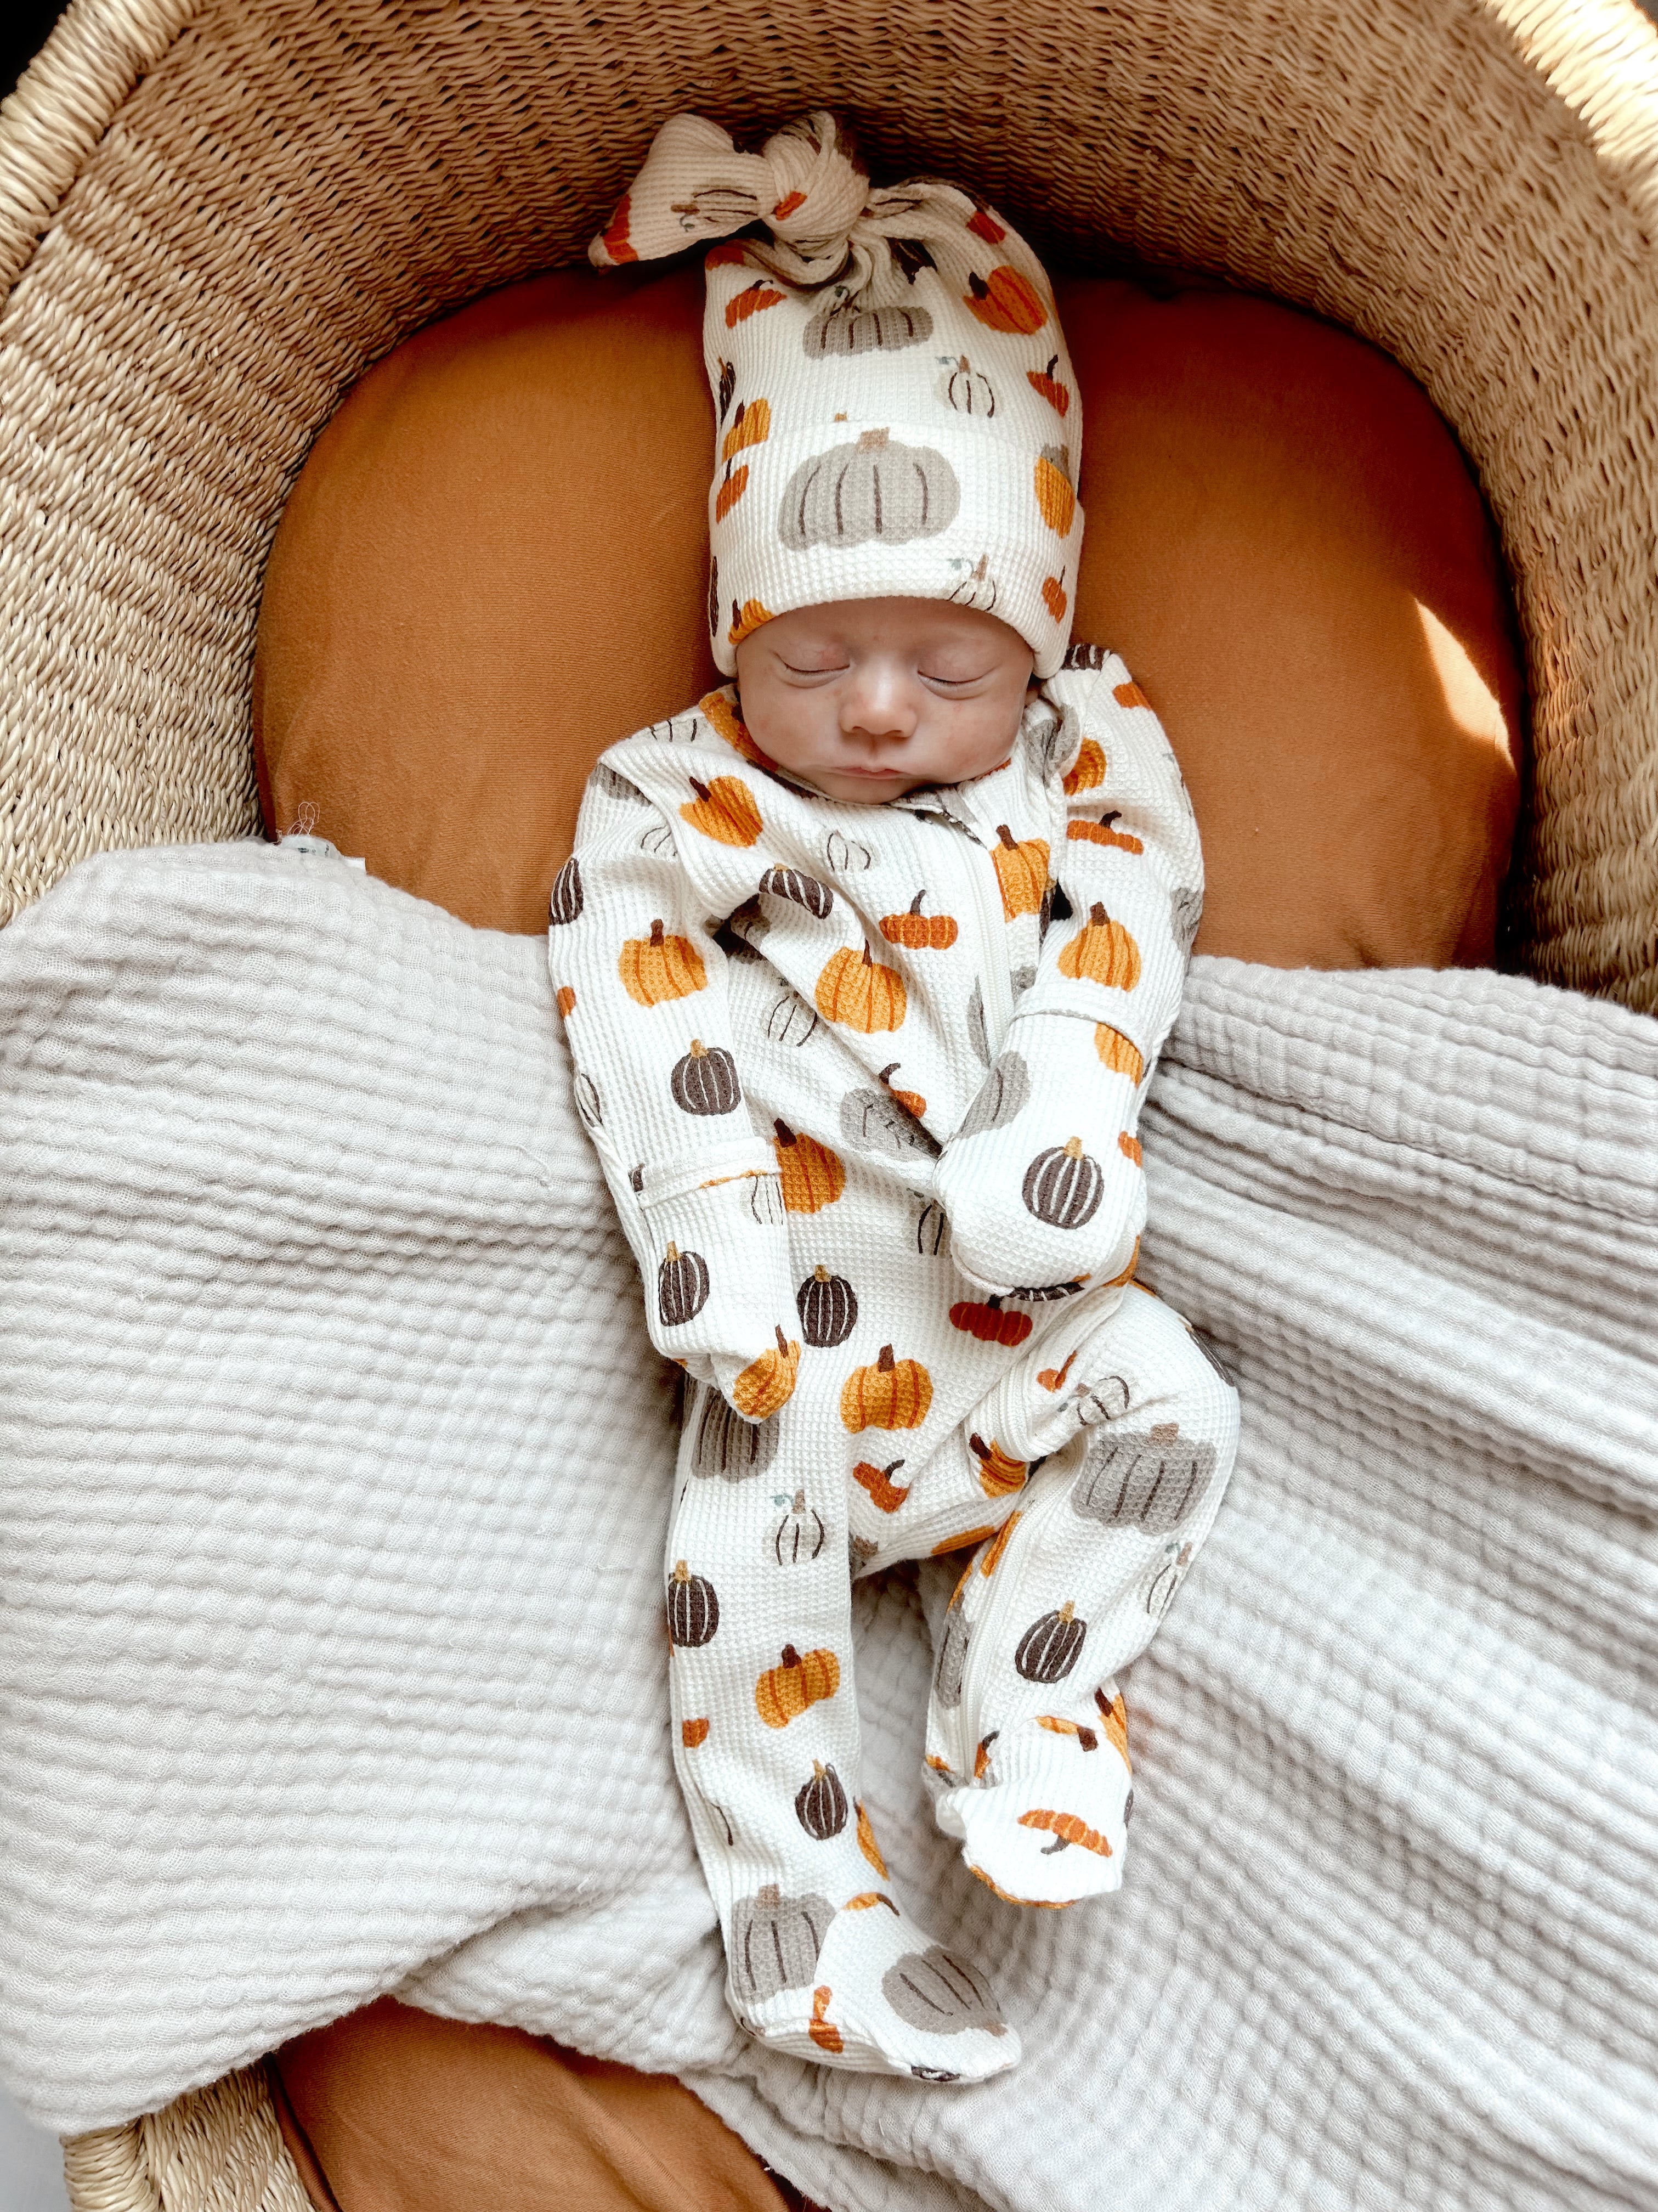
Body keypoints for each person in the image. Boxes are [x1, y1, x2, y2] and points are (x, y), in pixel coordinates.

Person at [551, 109, 1238, 2083]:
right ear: (731, 634)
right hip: (805, 1325)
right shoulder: (682, 793)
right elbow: (622, 969)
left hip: (1028, 1312)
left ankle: (1034, 1690)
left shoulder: (1082, 757)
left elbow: (1138, 924)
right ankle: (805, 1928)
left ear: (1034, 637)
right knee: (740, 1598)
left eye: (946, 664)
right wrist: (703, 1227)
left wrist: (1065, 1118)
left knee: (1176, 1406)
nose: (874, 712)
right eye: (817, 655)